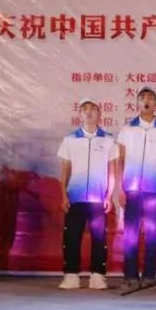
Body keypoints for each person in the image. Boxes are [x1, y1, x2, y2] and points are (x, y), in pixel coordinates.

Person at [57, 98, 119, 290]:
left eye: (93, 109)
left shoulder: (108, 140)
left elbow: (112, 171)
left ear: (100, 114)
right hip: (75, 196)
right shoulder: (70, 140)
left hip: (98, 198)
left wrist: (109, 196)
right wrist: (64, 195)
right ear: (80, 114)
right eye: (85, 109)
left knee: (99, 237)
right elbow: (65, 170)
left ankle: (98, 275)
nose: (89, 112)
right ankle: (71, 275)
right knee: (71, 236)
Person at [115, 86, 156, 288]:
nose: (146, 100)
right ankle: (130, 275)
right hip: (132, 188)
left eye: (150, 97)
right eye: (142, 97)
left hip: (155, 188)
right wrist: (119, 188)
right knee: (130, 234)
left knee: (153, 234)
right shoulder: (127, 130)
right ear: (137, 103)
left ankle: (149, 275)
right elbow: (120, 159)